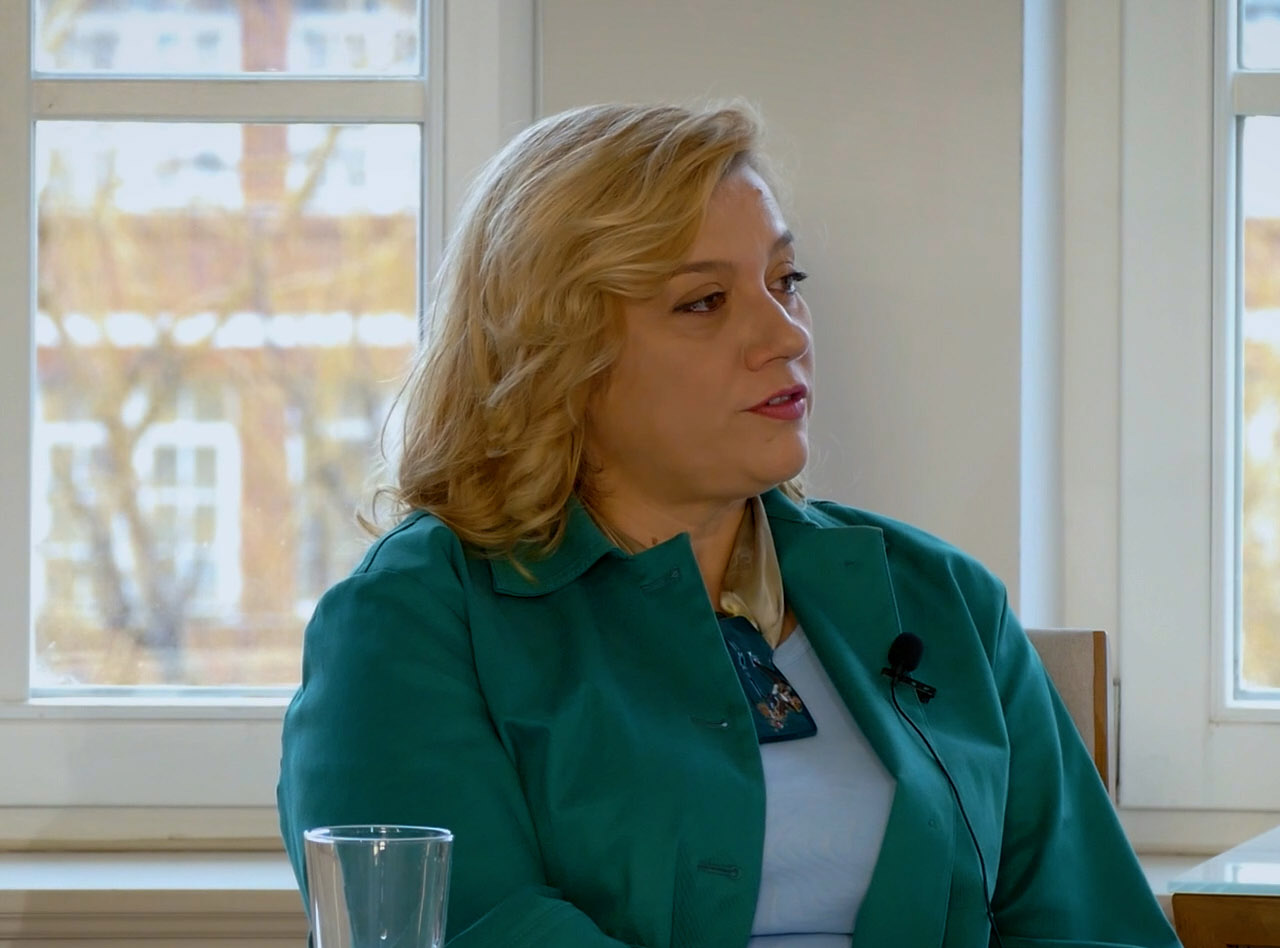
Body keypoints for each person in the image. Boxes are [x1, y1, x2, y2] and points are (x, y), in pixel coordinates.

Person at [277, 101, 1181, 948]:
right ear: (556, 353)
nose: (786, 334)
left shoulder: (943, 600)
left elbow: (1091, 924)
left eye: (786, 281)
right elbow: (474, 927)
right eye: (703, 302)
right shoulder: (412, 620)